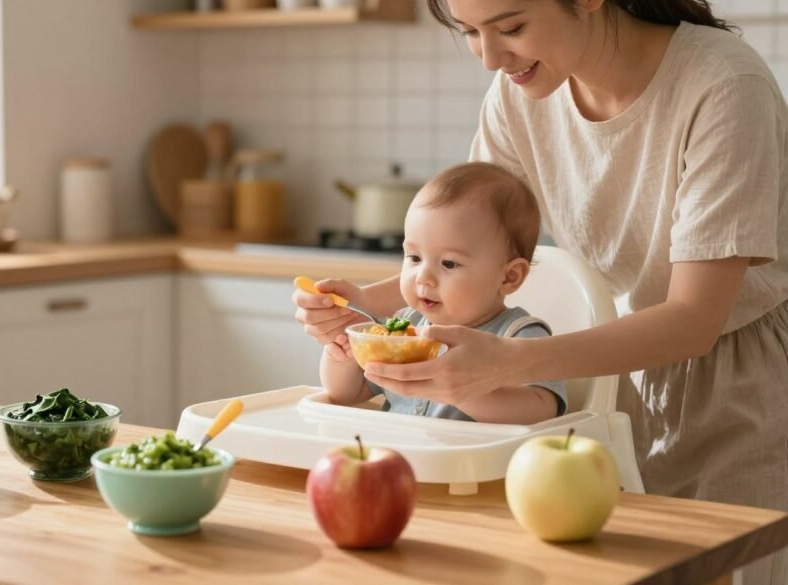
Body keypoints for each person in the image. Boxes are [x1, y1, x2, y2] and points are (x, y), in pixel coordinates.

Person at [293, 1, 788, 583]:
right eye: (471, 33)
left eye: (511, 27)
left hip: (736, 391)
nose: (490, 58)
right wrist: (361, 304)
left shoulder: (725, 86)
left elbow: (694, 319)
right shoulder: (518, 94)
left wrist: (509, 362)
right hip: (620, 373)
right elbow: (465, 255)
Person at [321, 162, 567, 425]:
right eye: (414, 257)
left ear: (509, 276)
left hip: (475, 465)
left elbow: (542, 409)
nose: (423, 277)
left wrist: (462, 392)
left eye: (449, 263)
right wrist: (342, 357)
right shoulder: (404, 328)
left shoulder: (519, 336)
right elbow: (347, 394)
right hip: (398, 459)